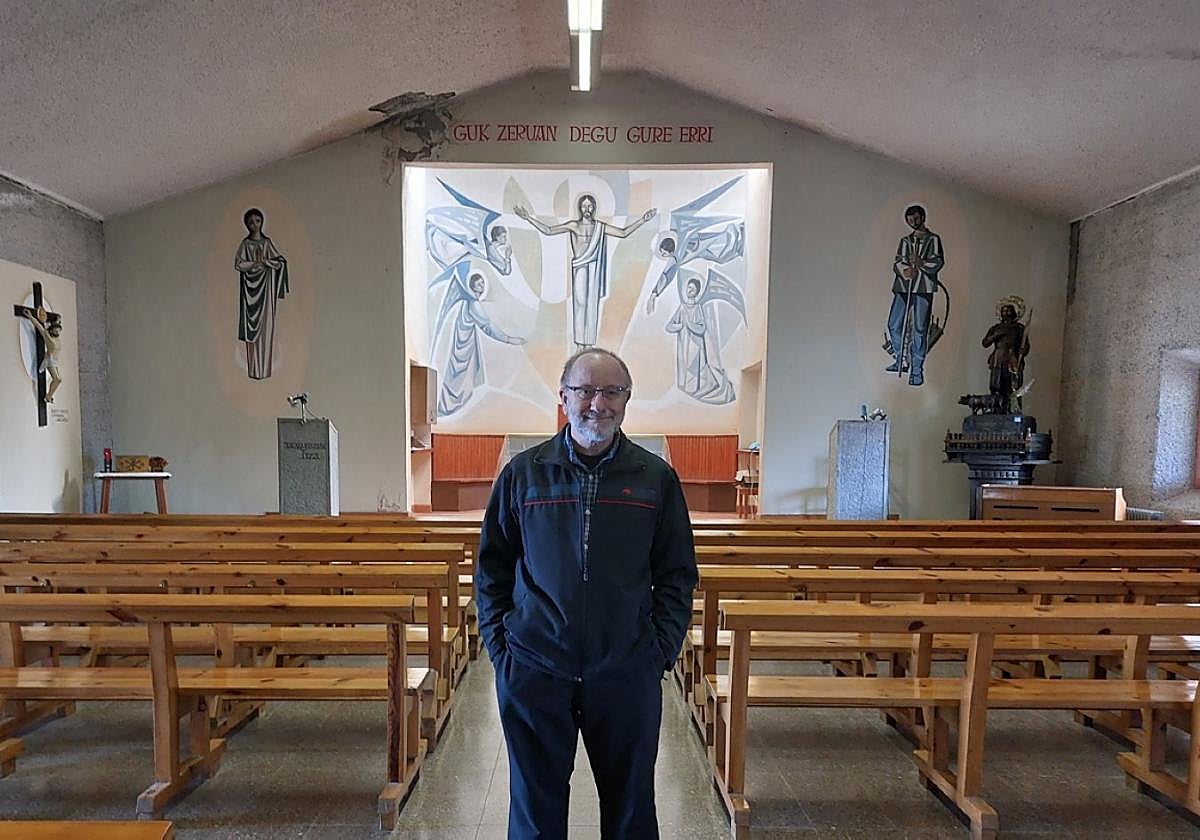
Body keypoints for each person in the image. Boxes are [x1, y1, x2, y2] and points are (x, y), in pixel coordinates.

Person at [475, 348, 698, 840]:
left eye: (611, 391)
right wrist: (501, 650)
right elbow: (492, 567)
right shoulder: (524, 473)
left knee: (631, 814)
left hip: (625, 672)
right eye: (585, 390)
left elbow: (678, 573)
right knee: (535, 817)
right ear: (563, 397)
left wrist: (657, 652)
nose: (597, 403)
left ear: (627, 399)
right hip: (535, 669)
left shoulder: (654, 479)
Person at [515, 195, 657, 349]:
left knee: (592, 306)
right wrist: (528, 218)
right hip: (580, 268)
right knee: (580, 304)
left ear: (594, 208)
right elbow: (549, 231)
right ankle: (579, 344)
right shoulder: (574, 226)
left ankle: (588, 344)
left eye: (590, 206)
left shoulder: (600, 227)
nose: (587, 210)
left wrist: (643, 220)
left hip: (594, 269)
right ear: (580, 208)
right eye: (584, 206)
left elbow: (623, 233)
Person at [435, 271, 526, 416]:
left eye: (483, 282)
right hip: (463, 347)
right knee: (459, 379)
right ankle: (449, 405)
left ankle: (450, 404)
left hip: (465, 344)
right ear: (473, 287)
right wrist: (510, 339)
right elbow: (488, 327)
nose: (482, 286)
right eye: (479, 284)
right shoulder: (474, 304)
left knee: (459, 379)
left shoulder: (469, 303)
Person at [885, 204, 944, 387]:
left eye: (916, 219)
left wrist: (922, 264)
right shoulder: (905, 241)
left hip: (923, 288)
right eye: (910, 220)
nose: (914, 223)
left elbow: (938, 262)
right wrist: (905, 271)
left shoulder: (933, 239)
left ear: (923, 217)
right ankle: (900, 358)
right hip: (904, 287)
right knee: (894, 324)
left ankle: (916, 371)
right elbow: (898, 262)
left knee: (919, 329)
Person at [234, 208, 289, 380]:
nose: (254, 225)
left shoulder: (266, 243)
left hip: (265, 292)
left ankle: (264, 370)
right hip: (250, 295)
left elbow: (280, 262)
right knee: (252, 336)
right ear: (247, 225)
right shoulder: (245, 244)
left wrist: (265, 262)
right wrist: (254, 264)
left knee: (265, 329)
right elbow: (239, 264)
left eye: (257, 221)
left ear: (262, 222)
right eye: (251, 222)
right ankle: (254, 370)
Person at [982, 297, 1031, 412]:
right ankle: (996, 409)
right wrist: (996, 335)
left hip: (1012, 358)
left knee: (1013, 387)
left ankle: (1013, 409)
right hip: (998, 358)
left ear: (1014, 313)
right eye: (1004, 311)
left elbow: (1025, 345)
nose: (1006, 313)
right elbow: (985, 343)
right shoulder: (996, 328)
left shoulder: (1019, 328)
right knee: (996, 385)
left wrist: (1021, 353)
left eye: (1009, 310)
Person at [20, 310, 63, 403]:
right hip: (50, 360)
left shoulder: (57, 337)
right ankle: (48, 397)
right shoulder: (47, 336)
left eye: (59, 329)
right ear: (52, 330)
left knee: (59, 380)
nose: (58, 331)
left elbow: (57, 322)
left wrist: (58, 318)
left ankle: (49, 396)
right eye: (56, 329)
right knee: (57, 379)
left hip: (56, 360)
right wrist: (31, 316)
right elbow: (39, 326)